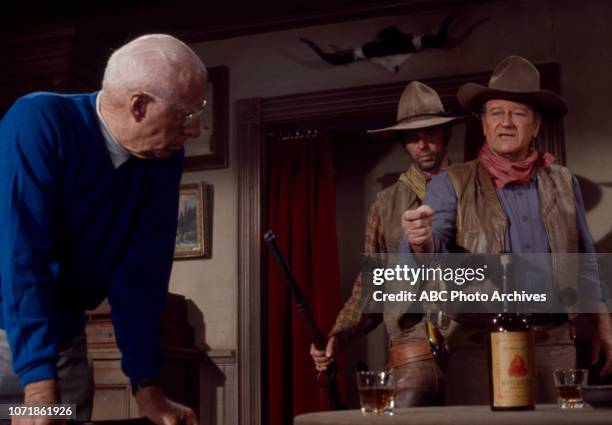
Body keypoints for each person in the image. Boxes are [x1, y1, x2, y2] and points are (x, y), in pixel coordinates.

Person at [0, 34, 206, 425]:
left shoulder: (162, 158)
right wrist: (39, 388)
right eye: (187, 114)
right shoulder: (37, 121)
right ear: (139, 105)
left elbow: (141, 276)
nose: (195, 130)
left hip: (62, 345)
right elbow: (22, 257)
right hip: (9, 343)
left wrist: (148, 388)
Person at [401, 56, 612, 404]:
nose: (507, 122)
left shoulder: (562, 181)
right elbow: (433, 249)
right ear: (484, 125)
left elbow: (585, 258)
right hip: (477, 347)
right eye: (496, 112)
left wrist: (604, 323)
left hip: (554, 345)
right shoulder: (450, 182)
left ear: (536, 125)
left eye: (518, 113)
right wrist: (419, 241)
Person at [310, 81, 465, 406]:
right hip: (413, 345)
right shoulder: (387, 202)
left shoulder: (471, 188)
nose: (423, 145)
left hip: (471, 340)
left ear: (445, 135)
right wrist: (338, 336)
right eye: (412, 138)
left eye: (431, 134)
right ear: (403, 143)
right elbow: (372, 285)